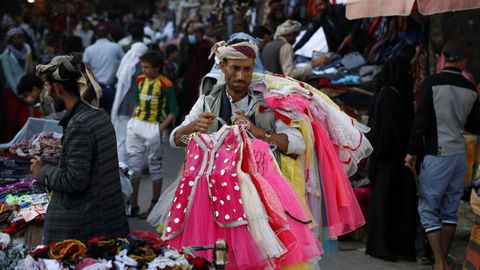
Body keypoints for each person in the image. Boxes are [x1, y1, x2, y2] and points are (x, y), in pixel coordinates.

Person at [30, 54, 129, 244]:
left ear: (57, 88)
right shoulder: (97, 115)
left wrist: (42, 171)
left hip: (83, 229)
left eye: (48, 88)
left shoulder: (80, 124)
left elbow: (74, 181)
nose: (48, 94)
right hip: (104, 222)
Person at [404, 39, 479, 270]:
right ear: (464, 62)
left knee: (427, 208)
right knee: (449, 210)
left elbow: (421, 120)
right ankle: (443, 259)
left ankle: (438, 262)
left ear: (444, 58)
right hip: (459, 156)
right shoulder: (470, 89)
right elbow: (474, 125)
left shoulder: (432, 83)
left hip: (437, 155)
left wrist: (411, 151)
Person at [171, 39, 305, 158]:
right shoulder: (208, 101)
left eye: (247, 69)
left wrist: (259, 133)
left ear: (253, 68)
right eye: (235, 68)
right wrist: (194, 126)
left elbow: (298, 145)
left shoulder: (268, 101)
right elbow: (175, 140)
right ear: (223, 67)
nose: (241, 76)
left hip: (261, 183)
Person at [366, 57, 417, 261]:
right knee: (388, 202)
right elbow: (386, 130)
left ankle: (390, 245)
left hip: (390, 158)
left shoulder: (390, 94)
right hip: (389, 158)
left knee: (390, 202)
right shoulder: (390, 96)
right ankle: (385, 246)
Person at [126, 51, 179, 218]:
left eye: (147, 67)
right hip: (136, 126)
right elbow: (136, 100)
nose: (143, 70)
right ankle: (133, 206)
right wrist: (134, 117)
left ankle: (153, 207)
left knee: (155, 167)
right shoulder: (140, 80)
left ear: (157, 68)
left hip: (154, 127)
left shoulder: (166, 84)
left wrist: (160, 129)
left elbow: (174, 111)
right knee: (134, 167)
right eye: (142, 66)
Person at [111, 42, 148, 165]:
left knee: (121, 141)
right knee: (136, 142)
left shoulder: (127, 64)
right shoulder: (145, 67)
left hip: (123, 107)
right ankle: (134, 167)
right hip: (137, 108)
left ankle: (123, 167)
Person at [261, 20, 329, 80]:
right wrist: (313, 64)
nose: (295, 39)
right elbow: (290, 75)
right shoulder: (285, 46)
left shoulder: (268, 45)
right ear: (291, 34)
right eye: (295, 36)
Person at [83, 25, 125, 115]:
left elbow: (86, 70)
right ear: (108, 35)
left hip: (95, 88)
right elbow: (123, 63)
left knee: (95, 116)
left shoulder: (89, 50)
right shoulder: (116, 47)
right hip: (111, 87)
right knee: (111, 115)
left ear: (96, 36)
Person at [293, 0, 363, 54]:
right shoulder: (321, 18)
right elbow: (308, 34)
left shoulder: (340, 8)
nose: (319, 8)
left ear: (327, 2)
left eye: (321, 4)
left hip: (358, 43)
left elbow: (359, 17)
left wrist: (351, 34)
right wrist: (294, 49)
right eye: (316, 6)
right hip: (342, 48)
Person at [1, 27, 33, 142]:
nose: (18, 39)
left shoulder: (27, 50)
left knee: (25, 118)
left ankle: (24, 144)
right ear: (10, 40)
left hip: (26, 90)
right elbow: (9, 77)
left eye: (20, 36)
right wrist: (20, 94)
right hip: (11, 91)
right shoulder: (5, 55)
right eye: (15, 38)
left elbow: (29, 69)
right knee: (10, 119)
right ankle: (6, 146)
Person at [179, 22, 214, 116]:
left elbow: (202, 67)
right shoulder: (197, 45)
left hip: (196, 81)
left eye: (194, 33)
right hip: (192, 79)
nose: (192, 35)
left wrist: (200, 81)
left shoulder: (204, 47)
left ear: (199, 33)